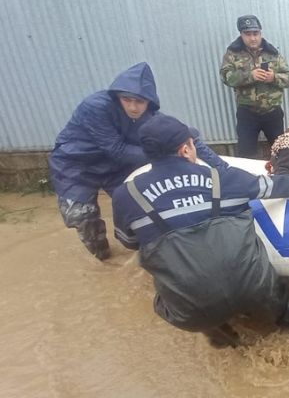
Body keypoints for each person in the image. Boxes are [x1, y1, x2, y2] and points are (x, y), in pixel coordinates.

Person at [112, 114, 289, 348]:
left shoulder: (126, 196)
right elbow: (279, 185)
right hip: (254, 289)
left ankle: (226, 341)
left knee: (163, 297)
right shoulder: (223, 178)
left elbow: (131, 243)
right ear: (186, 150)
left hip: (191, 311)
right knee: (278, 297)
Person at [49, 62, 227, 261]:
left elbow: (190, 140)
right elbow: (117, 150)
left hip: (116, 168)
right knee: (82, 217)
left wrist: (223, 170)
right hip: (76, 165)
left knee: (140, 207)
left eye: (140, 102)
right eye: (127, 100)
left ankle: (147, 255)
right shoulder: (95, 107)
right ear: (118, 96)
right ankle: (103, 258)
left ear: (149, 102)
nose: (133, 107)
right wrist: (169, 153)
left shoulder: (152, 117)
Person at [220, 14, 289, 159]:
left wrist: (274, 77)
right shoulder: (233, 54)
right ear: (241, 34)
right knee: (246, 155)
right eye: (248, 34)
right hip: (247, 113)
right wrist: (250, 76)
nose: (253, 38)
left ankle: (281, 179)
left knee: (281, 152)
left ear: (260, 33)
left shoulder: (272, 53)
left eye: (256, 33)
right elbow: (225, 77)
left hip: (272, 113)